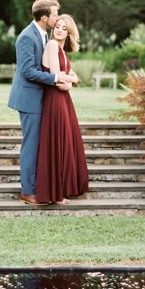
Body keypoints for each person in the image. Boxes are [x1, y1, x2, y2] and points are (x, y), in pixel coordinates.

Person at [8, 0, 73, 206]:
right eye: (54, 15)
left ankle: (41, 186)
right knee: (31, 145)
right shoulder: (26, 37)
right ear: (45, 17)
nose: (57, 18)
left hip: (41, 99)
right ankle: (27, 191)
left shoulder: (44, 34)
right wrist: (55, 78)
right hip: (29, 99)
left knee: (39, 145)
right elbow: (27, 71)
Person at [35, 14, 89, 205]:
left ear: (69, 32)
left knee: (66, 141)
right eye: (57, 26)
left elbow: (65, 79)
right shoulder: (51, 45)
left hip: (64, 99)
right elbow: (57, 77)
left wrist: (70, 83)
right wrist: (73, 79)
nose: (59, 29)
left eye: (64, 28)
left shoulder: (62, 51)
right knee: (58, 141)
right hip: (55, 99)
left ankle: (66, 188)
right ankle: (56, 194)